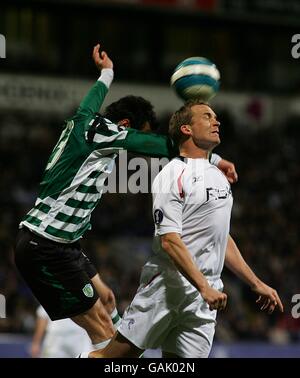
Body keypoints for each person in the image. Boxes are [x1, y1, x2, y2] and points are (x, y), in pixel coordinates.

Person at [14, 43, 237, 352]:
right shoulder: (104, 131)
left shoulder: (82, 119)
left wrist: (107, 72)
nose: (130, 146)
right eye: (132, 136)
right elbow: (158, 145)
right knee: (104, 332)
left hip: (63, 245)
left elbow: (94, 97)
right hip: (46, 246)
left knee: (107, 299)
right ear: (125, 126)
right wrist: (213, 159)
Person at [84, 100, 283, 358]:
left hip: (205, 298)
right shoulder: (172, 174)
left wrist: (255, 283)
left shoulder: (219, 177)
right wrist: (203, 287)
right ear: (187, 129)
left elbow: (220, 238)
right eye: (207, 116)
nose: (216, 121)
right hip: (167, 288)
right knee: (110, 360)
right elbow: (169, 240)